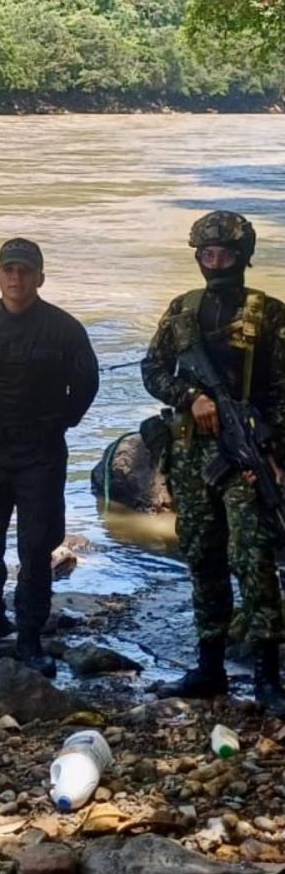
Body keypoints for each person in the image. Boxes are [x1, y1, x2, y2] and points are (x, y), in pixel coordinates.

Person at [142, 210, 285, 715]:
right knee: (202, 556)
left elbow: (283, 391)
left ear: (244, 257)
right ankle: (209, 667)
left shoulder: (270, 315)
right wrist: (189, 398)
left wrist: (274, 452)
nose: (216, 262)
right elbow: (153, 369)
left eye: (226, 253)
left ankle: (268, 675)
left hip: (249, 456)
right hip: (192, 455)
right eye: (208, 254)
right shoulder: (183, 311)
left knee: (255, 559)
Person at [0, 238, 99, 677]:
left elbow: (86, 385)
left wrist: (58, 423)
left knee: (36, 546)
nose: (16, 278)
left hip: (41, 449)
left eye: (25, 271)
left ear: (40, 278)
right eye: (9, 270)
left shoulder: (64, 329)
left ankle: (31, 634)